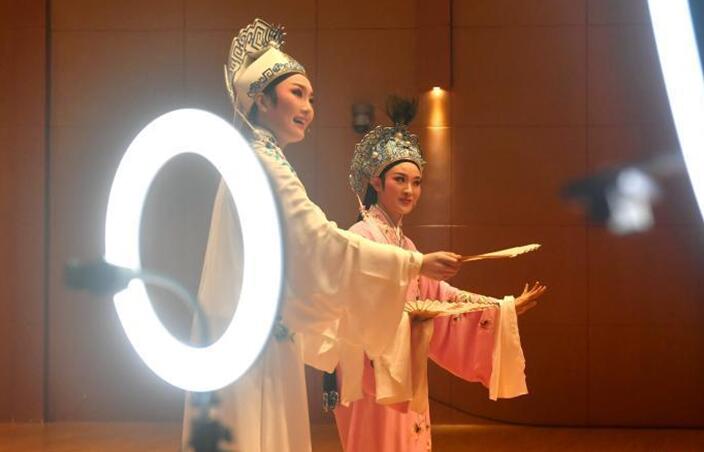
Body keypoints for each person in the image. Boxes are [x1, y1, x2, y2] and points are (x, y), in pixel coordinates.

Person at [182, 19, 463, 452]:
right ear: (260, 99)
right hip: (250, 336)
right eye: (297, 93)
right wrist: (414, 264)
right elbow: (321, 243)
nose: (309, 107)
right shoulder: (262, 163)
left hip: (256, 329)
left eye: (311, 97)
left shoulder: (257, 158)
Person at [331, 96, 547, 452]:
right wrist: (406, 318)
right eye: (400, 179)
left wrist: (500, 308)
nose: (409, 190)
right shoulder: (360, 237)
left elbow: (440, 296)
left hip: (405, 367)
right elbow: (353, 311)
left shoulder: (405, 243)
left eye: (416, 182)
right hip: (371, 374)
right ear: (376, 182)